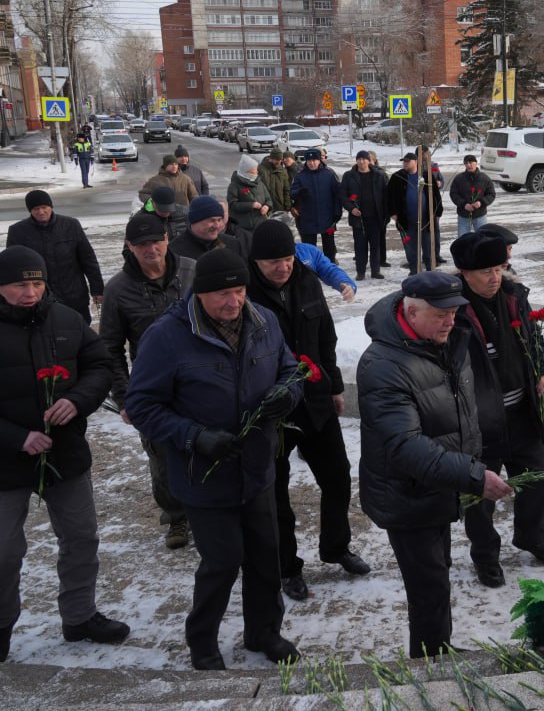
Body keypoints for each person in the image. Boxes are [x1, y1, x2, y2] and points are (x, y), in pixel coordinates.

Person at [125, 250, 304, 670]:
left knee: (265, 557)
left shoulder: (263, 322)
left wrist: (287, 394)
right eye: (224, 293)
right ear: (200, 294)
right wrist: (196, 437)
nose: (235, 302)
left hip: (257, 466)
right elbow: (143, 405)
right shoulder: (167, 336)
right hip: (203, 474)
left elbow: (290, 368)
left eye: (240, 291)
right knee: (222, 562)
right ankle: (202, 641)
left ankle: (264, 632)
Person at [0, 246, 129, 663]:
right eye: (20, 285)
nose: (30, 293)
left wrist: (77, 400)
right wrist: (14, 437)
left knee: (80, 538)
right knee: (0, 554)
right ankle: (0, 625)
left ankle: (79, 616)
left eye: (37, 283)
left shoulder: (64, 318)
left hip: (64, 451)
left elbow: (99, 365)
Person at [357, 271, 512, 657]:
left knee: (436, 577)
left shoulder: (446, 340)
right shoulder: (383, 365)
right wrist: (473, 475)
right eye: (440, 313)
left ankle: (436, 651)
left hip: (438, 487)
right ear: (409, 311)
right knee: (429, 587)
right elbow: (405, 446)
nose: (451, 320)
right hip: (407, 495)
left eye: (454, 311)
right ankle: (430, 664)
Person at [245, 220, 370, 604]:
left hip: (314, 400)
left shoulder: (306, 280)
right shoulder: (244, 294)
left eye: (286, 259)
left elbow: (325, 337)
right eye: (272, 262)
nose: (282, 267)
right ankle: (287, 567)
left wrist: (333, 384)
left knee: (336, 476)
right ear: (256, 262)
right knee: (275, 493)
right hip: (271, 411)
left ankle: (335, 547)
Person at [451, 232, 544, 588]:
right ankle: (486, 557)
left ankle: (531, 536)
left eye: (499, 268)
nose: (495, 277)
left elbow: (533, 339)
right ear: (464, 272)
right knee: (480, 497)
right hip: (478, 424)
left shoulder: (515, 297)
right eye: (485, 271)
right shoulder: (453, 309)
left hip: (521, 414)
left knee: (537, 479)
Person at [100, 214, 197, 551]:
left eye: (156, 240)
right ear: (129, 246)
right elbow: (109, 349)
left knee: (208, 447)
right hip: (153, 390)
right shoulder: (118, 290)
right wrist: (125, 398)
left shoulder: (192, 272)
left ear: (167, 238)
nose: (150, 248)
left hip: (201, 381)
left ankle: (209, 510)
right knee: (163, 458)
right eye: (141, 244)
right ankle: (176, 517)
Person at [6, 191, 103, 324]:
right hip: (39, 299)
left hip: (74, 295)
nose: (41, 212)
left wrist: (97, 289)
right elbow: (13, 268)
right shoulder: (17, 232)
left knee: (80, 333)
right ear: (30, 211)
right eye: (36, 209)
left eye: (44, 207)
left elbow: (88, 259)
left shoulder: (71, 225)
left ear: (51, 207)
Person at [386, 150, 444, 273]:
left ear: (416, 162)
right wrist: (392, 212)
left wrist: (438, 212)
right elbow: (388, 195)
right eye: (404, 162)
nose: (405, 163)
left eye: (408, 161)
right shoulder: (398, 177)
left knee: (428, 245)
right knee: (410, 246)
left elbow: (436, 195)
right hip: (406, 220)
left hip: (426, 219)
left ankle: (430, 269)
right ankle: (414, 270)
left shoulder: (426, 175)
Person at [341, 150, 389, 281]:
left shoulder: (379, 175)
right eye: (359, 159)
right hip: (358, 218)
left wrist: (387, 214)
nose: (361, 161)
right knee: (360, 246)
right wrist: (351, 209)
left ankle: (375, 271)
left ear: (369, 160)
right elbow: (343, 196)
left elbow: (387, 196)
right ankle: (360, 272)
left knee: (375, 245)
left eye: (364, 159)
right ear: (356, 161)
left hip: (376, 217)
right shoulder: (349, 176)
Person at [290, 148, 343, 263]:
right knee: (309, 248)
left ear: (319, 160)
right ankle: (312, 271)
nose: (312, 163)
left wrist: (337, 212)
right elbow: (292, 193)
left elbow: (337, 194)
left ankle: (330, 267)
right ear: (306, 162)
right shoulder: (300, 176)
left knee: (329, 246)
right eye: (309, 161)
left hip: (328, 219)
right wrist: (298, 192)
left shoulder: (329, 174)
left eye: (314, 160)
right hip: (308, 219)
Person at [170, 195, 245, 262]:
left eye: (219, 220)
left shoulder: (233, 244)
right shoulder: (174, 251)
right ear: (195, 221)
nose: (217, 225)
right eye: (212, 220)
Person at [448, 154, 496, 235]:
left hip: (480, 215)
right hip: (463, 215)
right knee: (463, 240)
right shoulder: (459, 178)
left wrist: (481, 202)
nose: (468, 165)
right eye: (466, 163)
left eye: (470, 163)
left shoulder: (484, 178)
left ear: (476, 163)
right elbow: (454, 194)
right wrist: (464, 204)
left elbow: (491, 194)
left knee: (483, 238)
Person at [227, 154, 273, 234]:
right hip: (244, 227)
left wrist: (267, 206)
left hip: (261, 224)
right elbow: (232, 204)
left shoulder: (259, 182)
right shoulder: (234, 185)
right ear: (247, 171)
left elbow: (268, 199)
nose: (257, 171)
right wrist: (251, 205)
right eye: (254, 169)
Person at [258, 148, 293, 213]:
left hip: (280, 208)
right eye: (276, 160)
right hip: (265, 208)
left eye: (280, 160)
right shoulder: (261, 169)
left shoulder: (283, 171)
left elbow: (286, 190)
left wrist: (288, 205)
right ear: (271, 159)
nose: (279, 162)